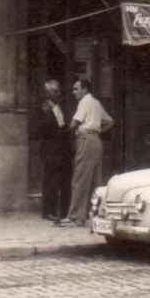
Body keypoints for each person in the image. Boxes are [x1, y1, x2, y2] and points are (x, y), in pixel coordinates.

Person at [59, 79, 115, 227]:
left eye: (76, 89)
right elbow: (110, 121)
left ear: (84, 90)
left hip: (85, 140)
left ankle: (75, 217)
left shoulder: (84, 102)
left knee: (80, 179)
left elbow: (74, 123)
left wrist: (70, 130)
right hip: (96, 141)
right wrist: (96, 131)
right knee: (95, 180)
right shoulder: (96, 103)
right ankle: (95, 215)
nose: (74, 92)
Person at [39, 79, 72, 222]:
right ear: (48, 93)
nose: (58, 93)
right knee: (50, 182)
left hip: (63, 150)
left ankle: (64, 211)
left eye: (58, 91)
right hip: (51, 150)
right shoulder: (44, 108)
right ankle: (48, 211)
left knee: (64, 181)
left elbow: (63, 125)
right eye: (55, 91)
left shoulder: (60, 106)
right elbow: (43, 129)